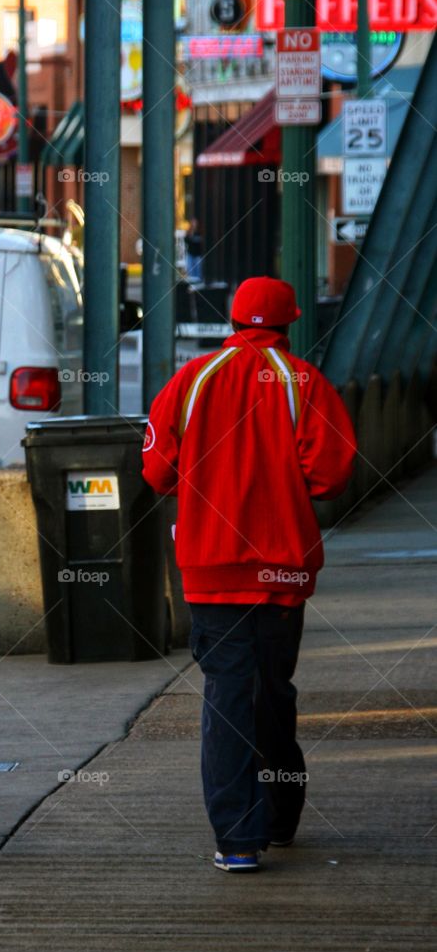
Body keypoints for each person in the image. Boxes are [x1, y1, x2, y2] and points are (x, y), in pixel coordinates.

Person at [141, 277, 356, 873]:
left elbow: (156, 472)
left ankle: (237, 839)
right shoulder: (304, 382)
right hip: (282, 570)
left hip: (211, 570)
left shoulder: (191, 380)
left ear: (232, 320)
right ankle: (283, 815)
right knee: (274, 693)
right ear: (291, 322)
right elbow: (332, 475)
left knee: (227, 698)